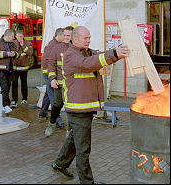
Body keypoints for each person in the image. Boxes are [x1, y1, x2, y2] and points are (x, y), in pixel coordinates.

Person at [50, 26, 130, 183]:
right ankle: (87, 181)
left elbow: (98, 56)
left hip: (85, 108)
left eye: (89, 37)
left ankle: (60, 164)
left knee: (75, 138)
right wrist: (114, 54)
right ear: (75, 38)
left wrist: (118, 52)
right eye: (85, 38)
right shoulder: (70, 56)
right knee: (83, 148)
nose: (89, 40)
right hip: (78, 110)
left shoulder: (87, 51)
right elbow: (88, 63)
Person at [45, 26, 74, 137]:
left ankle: (69, 130)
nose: (66, 37)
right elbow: (51, 64)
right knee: (57, 105)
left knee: (71, 108)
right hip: (60, 85)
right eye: (65, 35)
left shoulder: (78, 49)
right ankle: (52, 123)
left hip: (73, 85)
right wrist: (52, 79)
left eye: (69, 35)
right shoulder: (57, 48)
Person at [38, 28, 64, 121]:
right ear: (59, 35)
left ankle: (43, 112)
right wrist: (51, 75)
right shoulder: (53, 45)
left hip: (48, 73)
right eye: (64, 36)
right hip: (49, 74)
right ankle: (57, 119)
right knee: (53, 96)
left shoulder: (54, 44)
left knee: (48, 93)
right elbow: (50, 61)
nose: (65, 38)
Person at [0, 29, 19, 114]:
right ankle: (4, 105)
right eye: (13, 36)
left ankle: (6, 104)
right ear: (8, 36)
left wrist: (15, 54)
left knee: (7, 86)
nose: (14, 38)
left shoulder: (12, 44)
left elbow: (17, 53)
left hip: (9, 69)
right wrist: (6, 54)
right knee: (2, 87)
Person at [11, 30, 33, 107]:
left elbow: (30, 53)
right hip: (15, 68)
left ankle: (24, 98)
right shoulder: (12, 43)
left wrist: (23, 45)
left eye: (21, 36)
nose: (19, 38)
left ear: (23, 36)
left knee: (24, 83)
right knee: (14, 84)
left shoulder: (28, 43)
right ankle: (14, 100)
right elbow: (11, 53)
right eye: (18, 36)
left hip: (24, 67)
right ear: (15, 36)